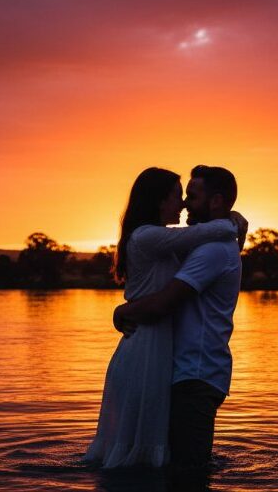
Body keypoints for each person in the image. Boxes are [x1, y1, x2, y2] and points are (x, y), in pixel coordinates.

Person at [83, 167, 247, 469]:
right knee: (159, 460)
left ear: (215, 201)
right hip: (153, 353)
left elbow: (164, 303)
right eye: (179, 196)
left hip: (189, 369)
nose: (184, 204)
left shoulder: (205, 249)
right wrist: (233, 221)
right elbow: (210, 233)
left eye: (191, 196)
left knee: (177, 466)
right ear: (159, 201)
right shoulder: (152, 238)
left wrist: (124, 311)